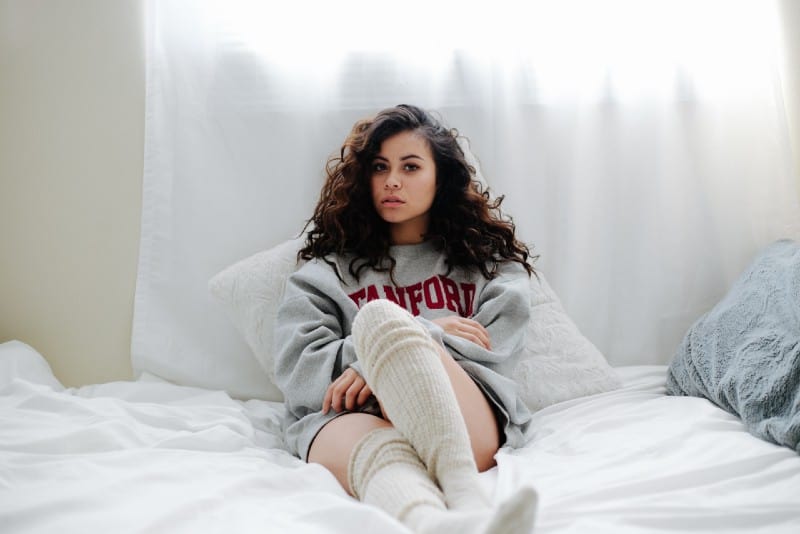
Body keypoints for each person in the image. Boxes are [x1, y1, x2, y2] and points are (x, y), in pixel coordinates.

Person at [274, 104, 538, 533]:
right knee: (381, 322)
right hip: (353, 417)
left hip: (461, 416)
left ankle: (466, 499)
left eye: (411, 166)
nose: (392, 181)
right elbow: (298, 371)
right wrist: (422, 331)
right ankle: (443, 524)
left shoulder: (489, 266)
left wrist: (402, 348)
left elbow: (496, 354)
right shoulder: (326, 273)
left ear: (441, 177)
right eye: (380, 167)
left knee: (379, 319)